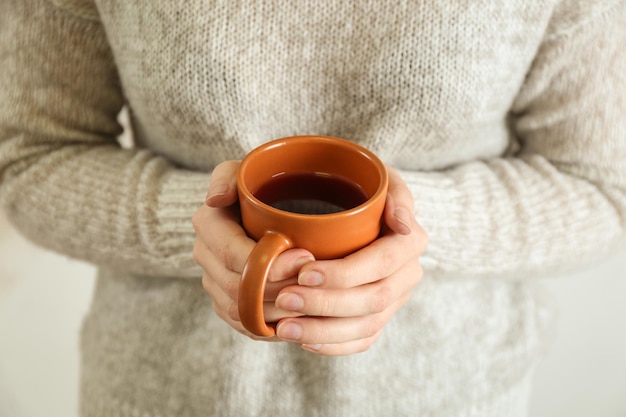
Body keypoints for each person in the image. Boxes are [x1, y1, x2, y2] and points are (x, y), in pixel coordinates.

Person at [0, 0, 624, 416]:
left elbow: (599, 186)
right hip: (166, 395)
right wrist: (196, 224)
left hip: (455, 396)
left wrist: (415, 228)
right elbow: (31, 156)